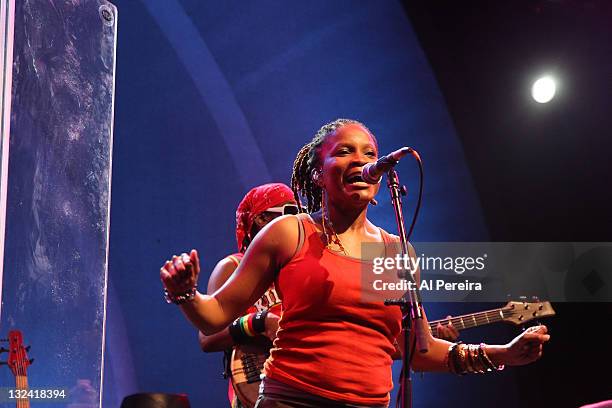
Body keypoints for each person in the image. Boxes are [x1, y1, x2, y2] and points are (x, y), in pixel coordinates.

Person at [161, 119, 550, 408]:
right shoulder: (289, 233)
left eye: (368, 153)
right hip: (292, 400)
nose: (361, 161)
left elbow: (418, 351)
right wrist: (186, 294)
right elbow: (214, 318)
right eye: (344, 151)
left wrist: (502, 353)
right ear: (318, 172)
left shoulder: (395, 252)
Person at [197, 183, 298, 408]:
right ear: (260, 219)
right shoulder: (232, 267)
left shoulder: (298, 269)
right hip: (256, 387)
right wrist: (258, 322)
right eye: (290, 212)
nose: (297, 221)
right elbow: (207, 338)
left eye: (300, 213)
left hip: (300, 383)